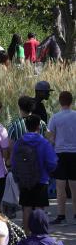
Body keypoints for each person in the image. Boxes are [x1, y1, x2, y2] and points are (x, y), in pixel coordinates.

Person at [11, 114, 57, 231]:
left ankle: (26, 234)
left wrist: (17, 177)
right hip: (41, 179)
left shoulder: (19, 142)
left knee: (26, 207)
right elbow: (52, 162)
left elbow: (14, 162)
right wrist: (49, 172)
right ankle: (39, 233)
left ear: (26, 127)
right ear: (38, 126)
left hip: (25, 180)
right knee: (39, 208)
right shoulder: (44, 143)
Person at [48, 90, 76, 224]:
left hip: (60, 153)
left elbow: (50, 137)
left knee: (60, 186)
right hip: (74, 153)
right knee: (74, 186)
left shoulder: (55, 117)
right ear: (71, 102)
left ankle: (61, 216)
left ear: (60, 101)